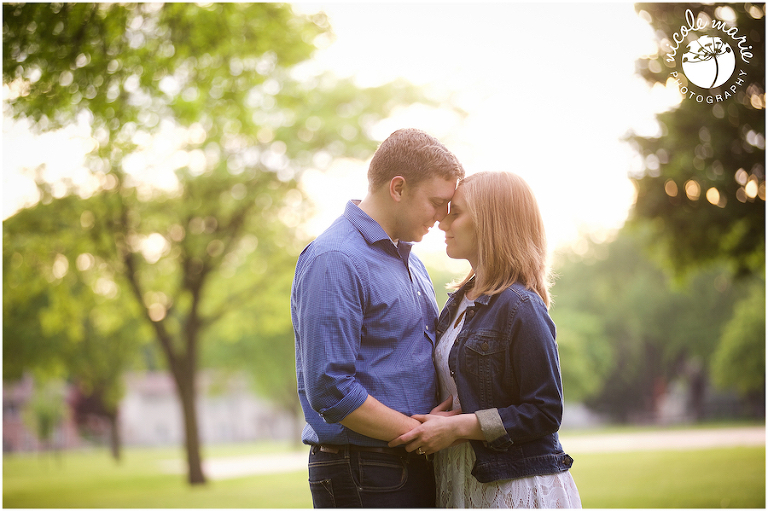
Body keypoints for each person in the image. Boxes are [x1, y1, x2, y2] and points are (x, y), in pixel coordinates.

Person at [291, 128, 465, 508]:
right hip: (364, 467)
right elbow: (330, 386)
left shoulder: (410, 260)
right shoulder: (335, 258)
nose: (442, 218)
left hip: (401, 459)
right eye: (436, 202)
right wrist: (420, 433)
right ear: (398, 188)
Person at [389, 171, 582, 508]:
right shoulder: (457, 301)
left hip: (512, 485)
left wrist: (461, 427)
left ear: (491, 223)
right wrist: (451, 419)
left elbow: (545, 412)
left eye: (456, 212)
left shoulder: (521, 306)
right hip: (460, 477)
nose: (443, 222)